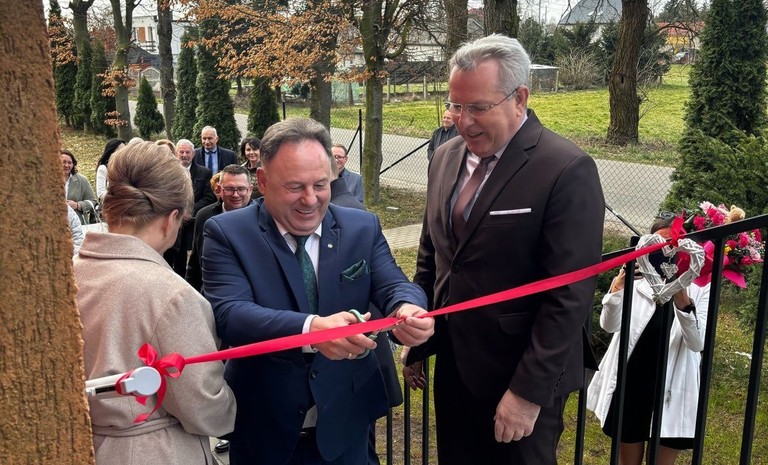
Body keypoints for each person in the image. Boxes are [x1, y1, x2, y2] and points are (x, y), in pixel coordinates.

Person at [405, 34, 605, 465]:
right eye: (456, 105)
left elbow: (569, 295)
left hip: (519, 375)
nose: (463, 121)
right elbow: (433, 255)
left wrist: (527, 393)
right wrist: (418, 335)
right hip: (455, 367)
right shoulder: (445, 157)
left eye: (478, 107)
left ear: (520, 98)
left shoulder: (565, 169)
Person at [200, 117, 435, 465]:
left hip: (346, 423)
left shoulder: (361, 226)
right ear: (262, 181)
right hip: (265, 427)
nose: (310, 200)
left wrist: (408, 308)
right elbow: (230, 314)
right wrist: (311, 330)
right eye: (295, 186)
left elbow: (394, 283)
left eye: (320, 185)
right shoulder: (226, 232)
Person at [74, 141, 236, 465]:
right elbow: (204, 406)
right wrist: (232, 406)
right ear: (170, 218)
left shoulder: (69, 276)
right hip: (151, 451)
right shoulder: (171, 295)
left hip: (80, 444)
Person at [587, 216, 710, 465]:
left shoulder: (699, 285)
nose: (667, 252)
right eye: (660, 245)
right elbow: (609, 325)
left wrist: (682, 298)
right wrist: (618, 288)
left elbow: (697, 343)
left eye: (674, 244)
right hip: (633, 379)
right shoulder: (637, 277)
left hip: (673, 384)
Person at [186, 164, 254, 292]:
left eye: (241, 189)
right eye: (229, 189)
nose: (235, 194)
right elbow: (195, 264)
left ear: (250, 189)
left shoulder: (262, 218)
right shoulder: (204, 216)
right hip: (210, 294)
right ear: (219, 189)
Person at [163, 139, 216, 276]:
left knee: (184, 261)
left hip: (191, 222)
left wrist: (188, 212)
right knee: (167, 257)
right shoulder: (166, 172)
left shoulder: (204, 172)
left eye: (187, 152)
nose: (184, 155)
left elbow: (208, 197)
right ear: (176, 153)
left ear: (193, 154)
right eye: (181, 152)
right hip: (170, 220)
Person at [62, 149, 98, 225]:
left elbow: (93, 201)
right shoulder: (47, 180)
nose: (67, 165)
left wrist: (78, 205)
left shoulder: (82, 180)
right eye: (63, 162)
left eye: (70, 163)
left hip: (77, 225)